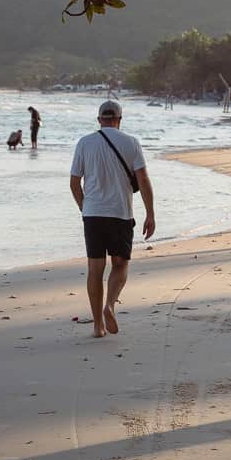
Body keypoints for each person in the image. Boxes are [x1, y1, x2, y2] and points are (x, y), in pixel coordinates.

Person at [69, 100, 155, 338]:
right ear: (119, 119)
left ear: (99, 120)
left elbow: (74, 183)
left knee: (95, 268)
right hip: (121, 213)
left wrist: (84, 207)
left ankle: (98, 326)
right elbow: (144, 180)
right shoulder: (131, 143)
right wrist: (150, 213)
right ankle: (110, 305)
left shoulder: (85, 143)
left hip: (93, 214)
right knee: (120, 264)